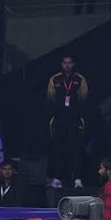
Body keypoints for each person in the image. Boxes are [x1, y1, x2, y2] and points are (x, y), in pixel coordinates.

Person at [46, 56, 89, 189]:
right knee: (57, 149)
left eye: (70, 63)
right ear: (61, 64)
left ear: (73, 64)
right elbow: (50, 97)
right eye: (65, 63)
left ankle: (77, 179)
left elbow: (83, 98)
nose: (67, 65)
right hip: (59, 118)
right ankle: (57, 178)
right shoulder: (55, 79)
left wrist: (79, 114)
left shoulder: (80, 79)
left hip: (75, 119)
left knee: (77, 149)